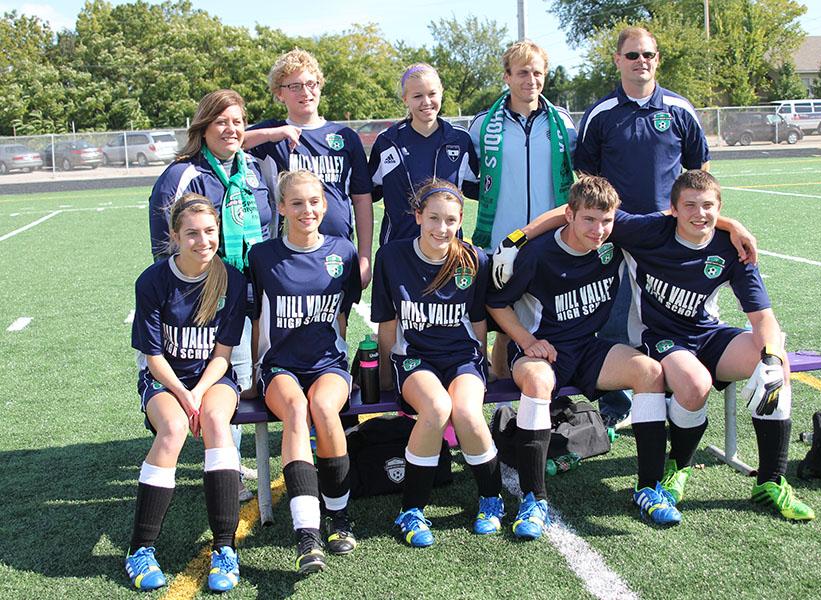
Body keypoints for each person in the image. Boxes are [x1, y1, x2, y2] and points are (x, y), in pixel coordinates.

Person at [486, 176, 679, 535]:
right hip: (543, 348)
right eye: (589, 219)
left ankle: (650, 487)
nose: (599, 229)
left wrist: (736, 226)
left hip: (587, 345)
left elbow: (678, 219)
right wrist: (526, 340)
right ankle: (534, 498)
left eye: (607, 221)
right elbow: (496, 304)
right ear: (569, 215)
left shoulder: (614, 241)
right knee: (538, 381)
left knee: (650, 372)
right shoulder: (539, 254)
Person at [623, 170, 814, 522]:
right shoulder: (649, 232)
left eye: (708, 206)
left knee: (774, 362)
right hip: (658, 335)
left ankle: (770, 481)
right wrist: (520, 238)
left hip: (708, 334)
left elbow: (763, 318)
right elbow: (581, 213)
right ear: (673, 209)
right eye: (690, 205)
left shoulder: (731, 248)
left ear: (720, 208)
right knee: (695, 384)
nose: (700, 213)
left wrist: (770, 357)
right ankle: (678, 466)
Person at [571, 26, 712, 425]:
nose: (641, 61)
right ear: (617, 60)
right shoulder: (602, 114)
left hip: (668, 237)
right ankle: (616, 408)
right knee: (614, 318)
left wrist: (688, 217)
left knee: (669, 320)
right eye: (632, 55)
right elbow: (585, 175)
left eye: (648, 54)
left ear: (657, 59)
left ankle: (670, 398)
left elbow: (699, 170)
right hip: (614, 234)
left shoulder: (680, 110)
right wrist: (604, 221)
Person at [148, 88, 275, 503]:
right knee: (223, 373)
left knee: (240, 383)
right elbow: (163, 251)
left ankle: (227, 459)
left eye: (238, 121)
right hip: (208, 303)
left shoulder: (257, 168)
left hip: (254, 293)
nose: (231, 129)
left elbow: (271, 228)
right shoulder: (180, 175)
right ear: (202, 127)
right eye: (221, 121)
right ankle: (229, 470)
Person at [371, 180, 503, 547]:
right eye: (433, 218)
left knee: (466, 410)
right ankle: (411, 509)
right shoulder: (392, 257)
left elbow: (478, 321)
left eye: (450, 220)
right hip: (414, 357)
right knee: (436, 409)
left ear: (461, 219)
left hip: (461, 357)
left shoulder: (474, 259)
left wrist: (484, 364)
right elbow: (387, 322)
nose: (441, 228)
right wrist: (384, 374)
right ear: (417, 216)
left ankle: (491, 499)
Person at [126, 193, 247, 592]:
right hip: (165, 379)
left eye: (209, 231)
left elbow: (223, 355)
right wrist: (183, 393)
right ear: (175, 236)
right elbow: (153, 356)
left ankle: (225, 549)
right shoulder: (153, 280)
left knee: (216, 420)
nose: (203, 241)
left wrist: (198, 391)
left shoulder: (231, 279)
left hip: (210, 378)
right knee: (175, 428)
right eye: (192, 233)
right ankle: (140, 549)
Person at [248, 170, 362, 574]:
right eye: (296, 203)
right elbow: (254, 321)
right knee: (296, 410)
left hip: (328, 363)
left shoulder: (343, 251)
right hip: (279, 364)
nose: (306, 210)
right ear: (280, 207)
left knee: (324, 408)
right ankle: (306, 534)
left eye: (313, 201)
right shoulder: (260, 256)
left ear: (325, 204)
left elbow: (343, 318)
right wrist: (251, 374)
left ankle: (339, 517)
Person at [468, 40, 577, 379]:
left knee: (553, 318)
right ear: (507, 77)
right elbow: (473, 183)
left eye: (537, 72)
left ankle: (551, 399)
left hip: (550, 239)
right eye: (522, 73)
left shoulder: (563, 123)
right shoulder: (482, 125)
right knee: (502, 323)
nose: (530, 79)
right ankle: (499, 404)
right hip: (502, 239)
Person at [243, 48, 374, 288]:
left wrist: (365, 256)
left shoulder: (344, 136)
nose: (305, 92)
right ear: (279, 94)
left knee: (336, 321)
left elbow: (362, 199)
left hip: (338, 249)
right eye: (294, 86)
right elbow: (231, 141)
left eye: (311, 83)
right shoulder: (274, 134)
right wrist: (276, 133)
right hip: (288, 252)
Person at [369, 62, 479, 246]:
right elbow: (368, 193)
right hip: (399, 249)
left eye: (432, 94)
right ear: (405, 99)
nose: (426, 102)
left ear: (442, 92)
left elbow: (475, 189)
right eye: (417, 96)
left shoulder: (460, 140)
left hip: (448, 250)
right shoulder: (388, 142)